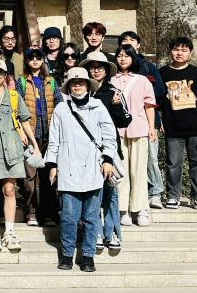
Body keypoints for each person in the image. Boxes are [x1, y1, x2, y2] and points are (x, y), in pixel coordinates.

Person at [46, 67, 117, 273]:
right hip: (68, 168)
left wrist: (108, 159)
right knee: (69, 217)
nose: (77, 85)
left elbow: (109, 136)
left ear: (88, 85)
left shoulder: (98, 107)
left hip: (93, 167)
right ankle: (67, 255)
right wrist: (52, 164)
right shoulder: (61, 109)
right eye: (73, 82)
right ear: (68, 86)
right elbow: (54, 139)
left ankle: (87, 256)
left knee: (91, 217)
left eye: (81, 82)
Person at [0, 59, 39, 253]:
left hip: (11, 146)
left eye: (0, 72)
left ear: (6, 75)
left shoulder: (14, 96)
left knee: (9, 189)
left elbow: (25, 120)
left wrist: (34, 144)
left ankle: (10, 231)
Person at [159, 37, 197, 211]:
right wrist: (159, 120)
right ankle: (173, 196)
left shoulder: (196, 73)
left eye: (184, 50)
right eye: (176, 49)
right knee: (173, 164)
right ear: (170, 51)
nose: (179, 53)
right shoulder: (162, 73)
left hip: (196, 126)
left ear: (190, 53)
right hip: (173, 127)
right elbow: (157, 100)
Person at [118, 30, 167, 209]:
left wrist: (141, 90)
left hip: (146, 121)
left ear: (138, 45)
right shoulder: (115, 72)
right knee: (125, 163)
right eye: (124, 40)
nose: (128, 42)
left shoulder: (148, 67)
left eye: (132, 40)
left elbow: (161, 91)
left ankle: (155, 193)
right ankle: (130, 198)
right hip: (122, 126)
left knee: (151, 159)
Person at [81, 51, 123, 253]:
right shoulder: (81, 91)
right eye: (93, 67)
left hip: (108, 148)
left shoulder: (112, 91)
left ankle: (112, 232)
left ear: (106, 70)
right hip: (86, 150)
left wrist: (117, 106)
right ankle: (95, 232)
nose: (96, 70)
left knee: (110, 192)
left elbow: (125, 120)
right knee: (92, 194)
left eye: (100, 67)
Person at [16, 47, 63, 226]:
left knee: (47, 175)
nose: (35, 60)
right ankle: (32, 212)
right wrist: (21, 131)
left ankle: (48, 213)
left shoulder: (51, 81)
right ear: (27, 61)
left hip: (49, 134)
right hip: (30, 133)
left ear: (43, 60)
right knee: (29, 176)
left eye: (38, 57)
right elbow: (17, 108)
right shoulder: (21, 81)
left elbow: (59, 105)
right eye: (31, 57)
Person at [111, 44, 156, 227]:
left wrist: (151, 128)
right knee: (121, 171)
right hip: (118, 131)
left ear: (133, 58)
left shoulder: (142, 80)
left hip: (139, 128)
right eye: (119, 55)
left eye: (126, 55)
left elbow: (149, 106)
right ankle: (123, 210)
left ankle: (141, 208)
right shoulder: (110, 80)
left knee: (139, 170)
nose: (122, 59)